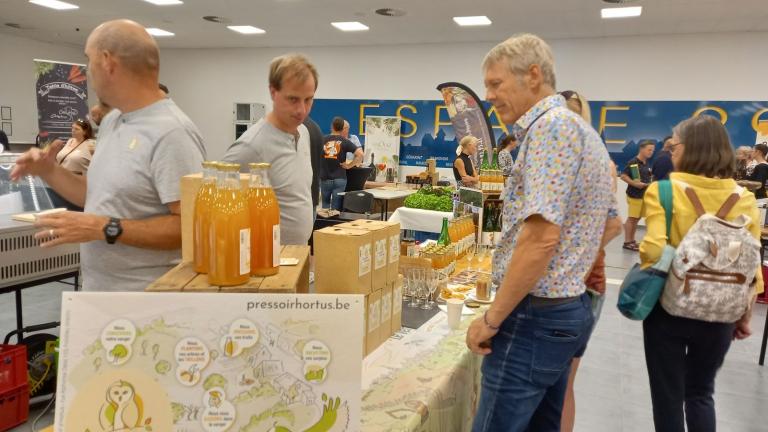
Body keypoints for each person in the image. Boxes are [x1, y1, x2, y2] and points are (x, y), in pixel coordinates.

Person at [466, 33, 613, 432]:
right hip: (564, 306)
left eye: (495, 84)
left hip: (533, 315)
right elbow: (609, 220)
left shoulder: (551, 130)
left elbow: (541, 238)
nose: (489, 96)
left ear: (533, 75)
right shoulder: (579, 129)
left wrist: (492, 320)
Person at [10, 19, 206, 292]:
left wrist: (105, 228)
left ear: (107, 62)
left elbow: (190, 227)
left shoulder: (172, 132)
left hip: (149, 301)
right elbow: (100, 194)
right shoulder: (115, 121)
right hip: (102, 294)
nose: (88, 71)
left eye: (89, 61)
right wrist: (49, 171)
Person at [640, 115, 763, 432]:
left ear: (690, 149)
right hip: (720, 311)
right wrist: (744, 315)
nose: (670, 152)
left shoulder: (663, 191)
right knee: (700, 393)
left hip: (669, 308)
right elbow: (750, 268)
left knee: (667, 397)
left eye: (674, 145)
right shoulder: (744, 198)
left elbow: (652, 252)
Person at [558, 89, 623, 432]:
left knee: (561, 382)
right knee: (563, 382)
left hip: (578, 283)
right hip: (586, 279)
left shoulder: (593, 162)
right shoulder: (601, 161)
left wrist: (573, 255)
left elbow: (612, 224)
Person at [223, 53, 318, 245]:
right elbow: (221, 212)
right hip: (265, 265)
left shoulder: (303, 133)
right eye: (293, 99)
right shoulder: (251, 147)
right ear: (273, 92)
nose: (302, 110)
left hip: (296, 257)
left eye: (308, 99)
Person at [320, 117, 363, 210]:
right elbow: (360, 154)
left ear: (332, 126)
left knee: (325, 206)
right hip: (340, 178)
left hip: (324, 178)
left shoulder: (322, 140)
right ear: (342, 128)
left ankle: (325, 224)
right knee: (336, 207)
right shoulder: (345, 141)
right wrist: (349, 165)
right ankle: (335, 222)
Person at [620, 140, 654, 251]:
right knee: (632, 218)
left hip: (642, 195)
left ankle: (632, 240)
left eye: (652, 150)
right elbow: (623, 176)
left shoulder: (646, 163)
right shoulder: (633, 162)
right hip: (635, 195)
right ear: (641, 149)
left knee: (636, 218)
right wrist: (635, 183)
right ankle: (627, 242)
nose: (651, 152)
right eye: (649, 149)